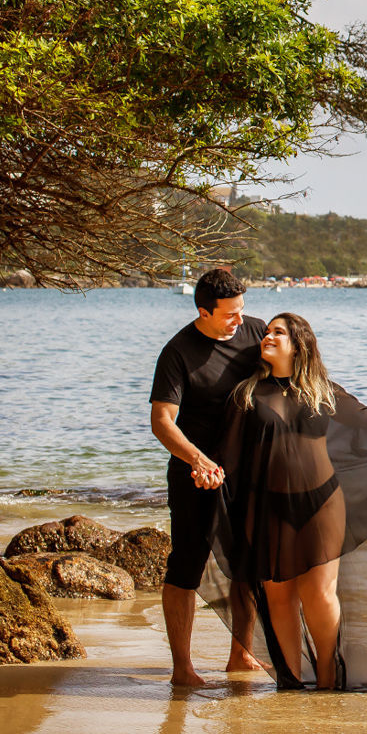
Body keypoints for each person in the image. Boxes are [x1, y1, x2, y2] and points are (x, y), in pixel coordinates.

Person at [207, 312, 367, 691]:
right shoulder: (246, 395)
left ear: (299, 344)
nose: (268, 337)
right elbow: (229, 453)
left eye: (279, 332)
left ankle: (327, 679)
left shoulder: (324, 391)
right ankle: (289, 684)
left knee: (320, 594)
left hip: (322, 504)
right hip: (269, 508)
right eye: (267, 332)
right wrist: (207, 471)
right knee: (280, 597)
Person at [149, 268, 266, 685]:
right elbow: (162, 421)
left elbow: (298, 378)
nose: (241, 321)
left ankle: (242, 654)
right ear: (204, 311)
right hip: (194, 473)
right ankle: (183, 667)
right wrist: (197, 461)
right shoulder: (178, 351)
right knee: (186, 566)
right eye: (230, 314)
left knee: (248, 565)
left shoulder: (256, 332)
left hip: (246, 471)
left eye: (242, 310)